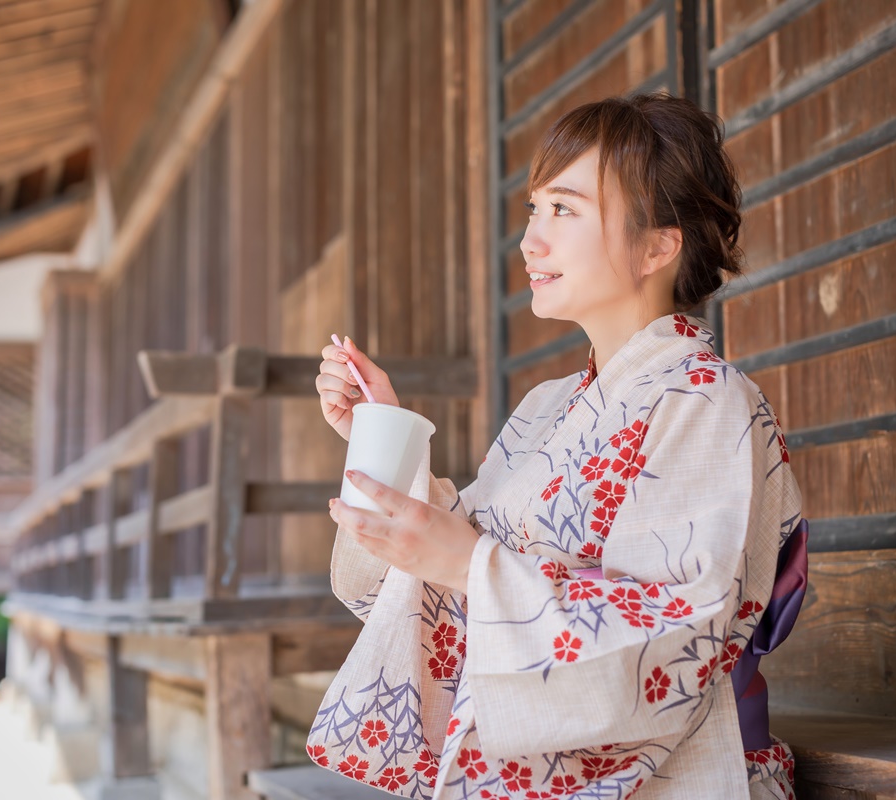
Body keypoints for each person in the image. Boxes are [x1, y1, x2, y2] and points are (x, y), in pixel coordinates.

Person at [307, 93, 808, 800]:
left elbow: (675, 638)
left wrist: (470, 566)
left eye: (564, 210)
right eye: (534, 211)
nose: (530, 241)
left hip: (674, 774)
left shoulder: (711, 402)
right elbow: (401, 591)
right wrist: (384, 438)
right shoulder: (545, 410)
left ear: (658, 246)